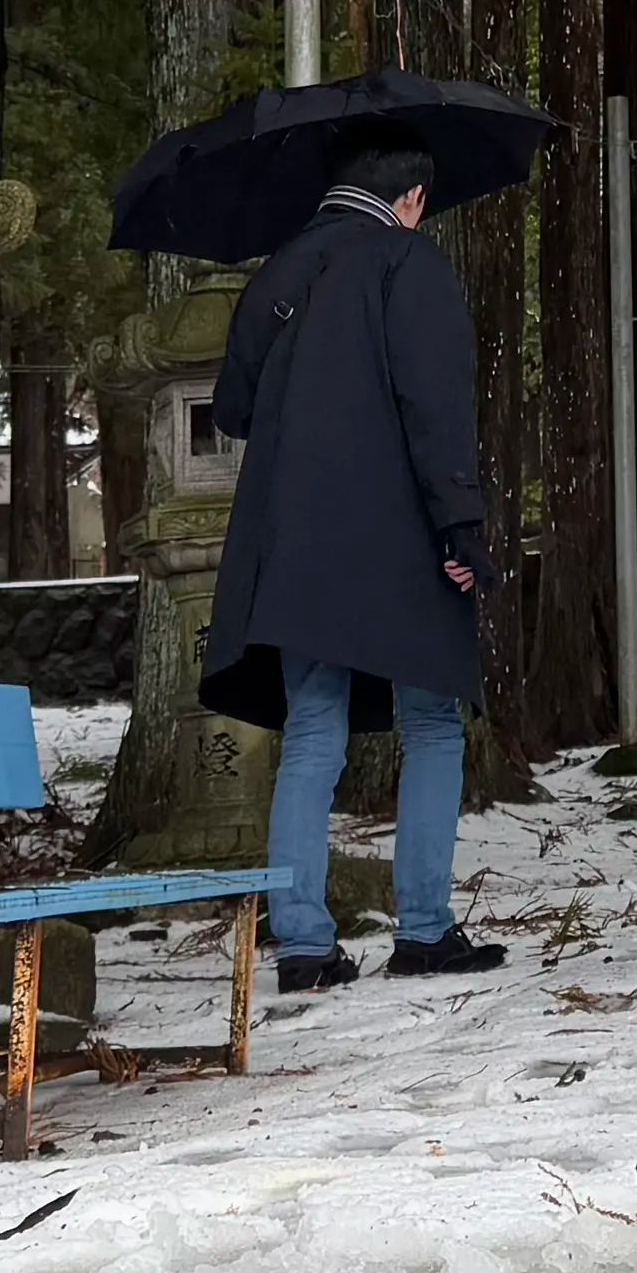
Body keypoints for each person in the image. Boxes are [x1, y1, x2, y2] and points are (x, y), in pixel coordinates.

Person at [198, 120, 504, 992]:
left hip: (297, 535)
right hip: (400, 529)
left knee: (313, 728)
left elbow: (233, 407)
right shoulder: (408, 261)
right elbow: (434, 404)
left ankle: (302, 945)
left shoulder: (281, 270)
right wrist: (461, 524)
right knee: (432, 721)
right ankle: (425, 929)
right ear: (412, 198)